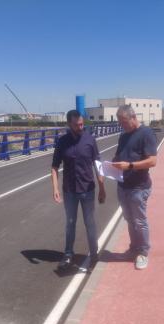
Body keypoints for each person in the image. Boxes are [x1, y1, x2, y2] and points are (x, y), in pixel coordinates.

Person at [51, 110, 106, 269]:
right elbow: (54, 167)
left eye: (82, 124)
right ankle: (68, 254)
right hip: (69, 191)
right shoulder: (62, 142)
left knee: (90, 223)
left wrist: (102, 188)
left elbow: (98, 165)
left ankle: (94, 254)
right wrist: (55, 188)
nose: (80, 127)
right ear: (69, 124)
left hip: (88, 189)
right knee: (70, 223)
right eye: (77, 125)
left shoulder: (90, 140)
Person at [112, 105, 157, 270]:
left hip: (139, 187)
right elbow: (119, 155)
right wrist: (111, 164)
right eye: (120, 122)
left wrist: (129, 165)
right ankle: (133, 249)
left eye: (123, 122)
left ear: (133, 118)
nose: (121, 125)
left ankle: (143, 253)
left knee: (139, 221)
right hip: (123, 186)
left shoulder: (146, 134)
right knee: (130, 221)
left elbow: (152, 161)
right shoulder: (123, 136)